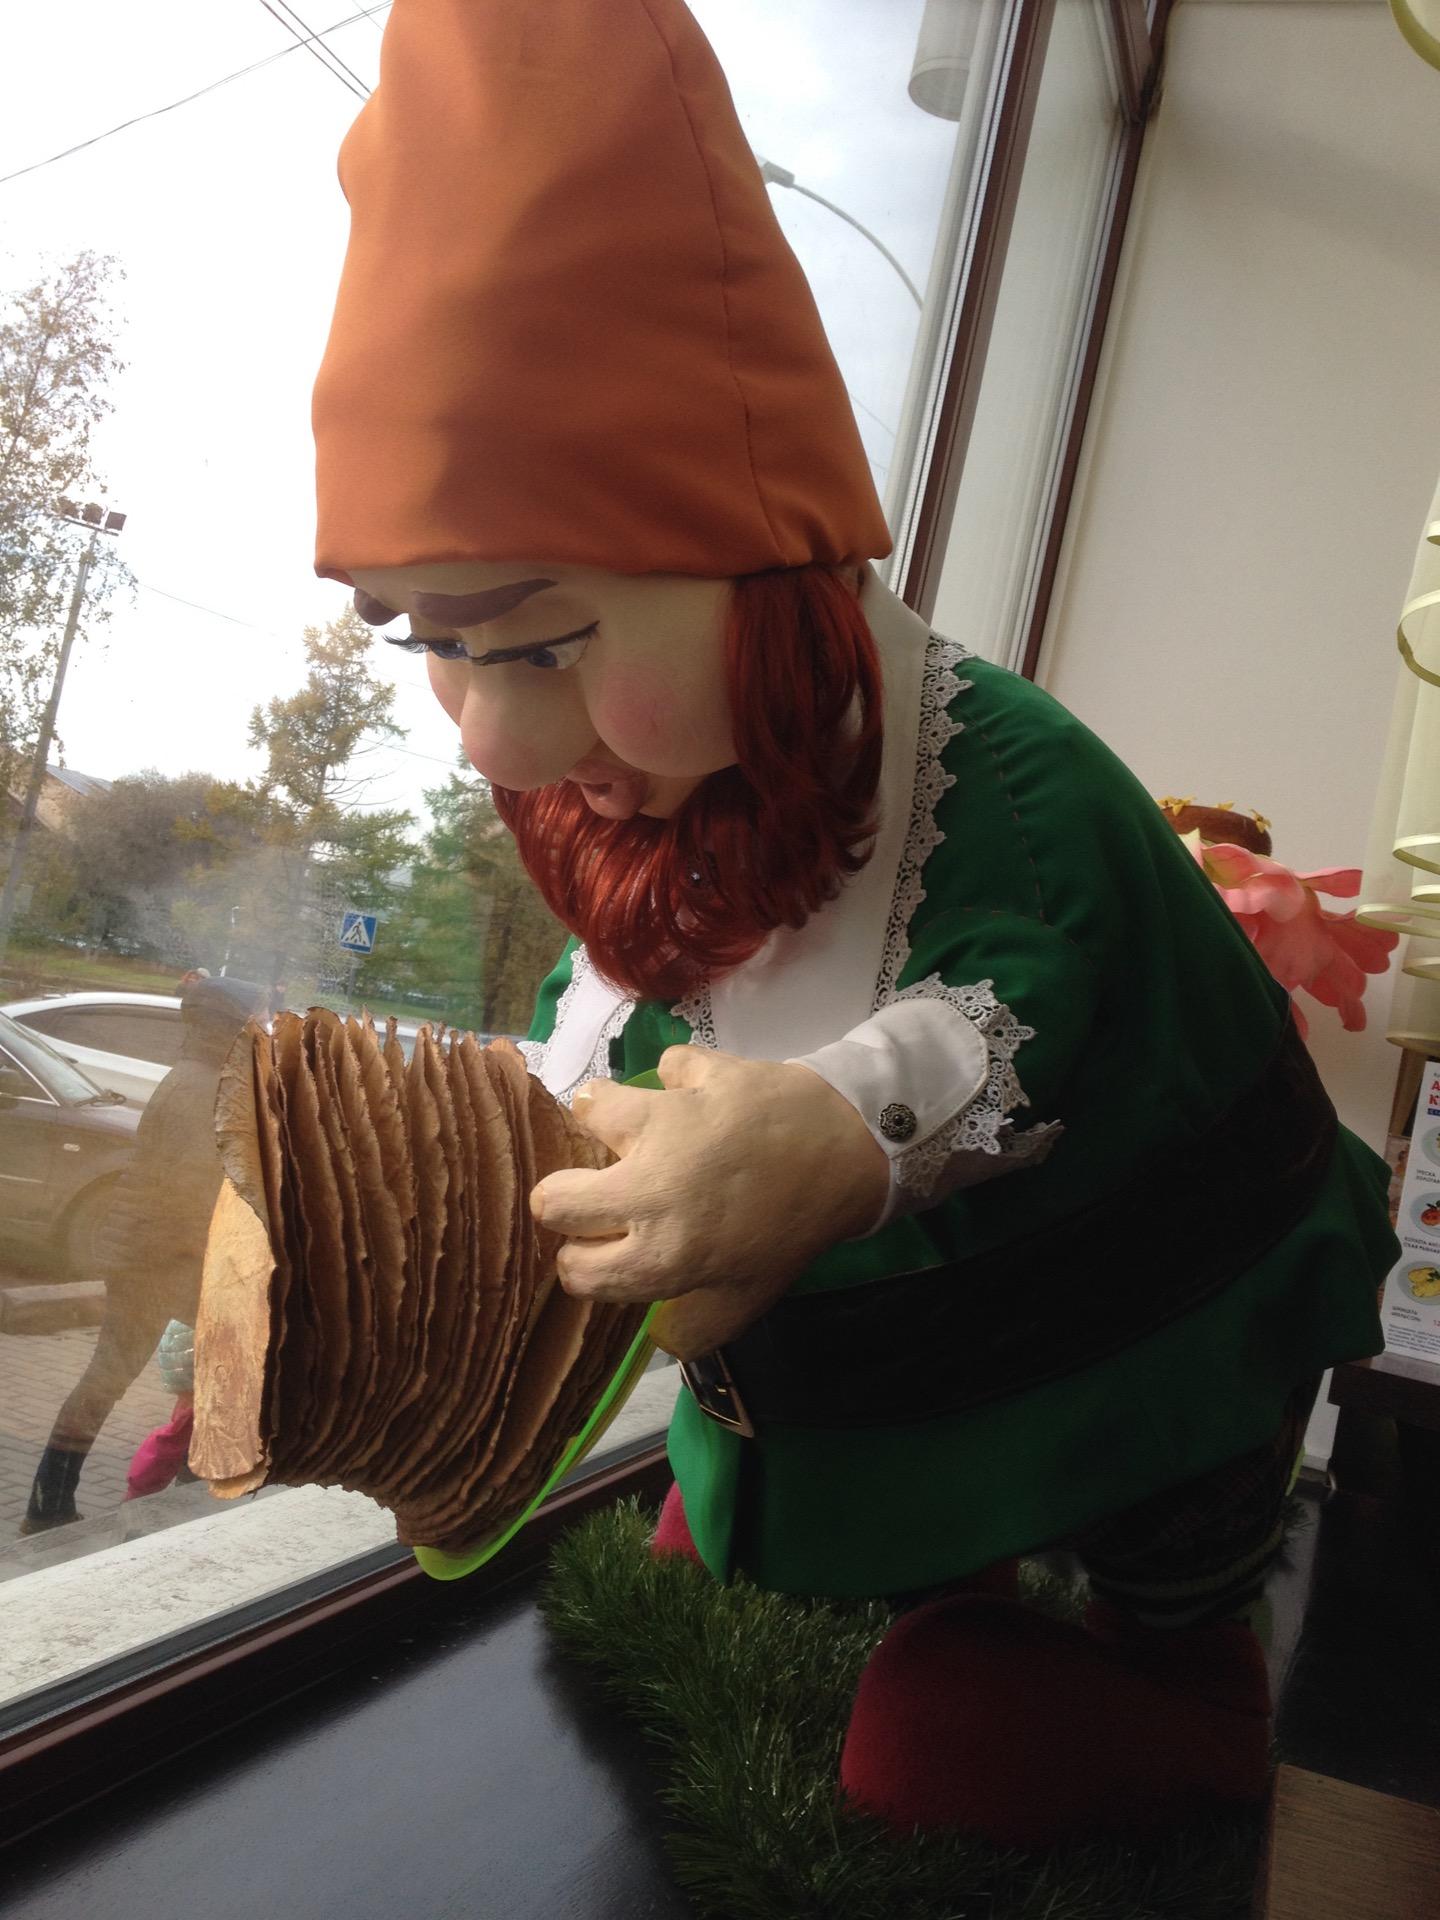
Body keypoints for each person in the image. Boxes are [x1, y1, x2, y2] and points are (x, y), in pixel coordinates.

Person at [309, 0, 1399, 1846]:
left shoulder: (1005, 780)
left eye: (546, 640)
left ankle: (1173, 1674)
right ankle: (894, 1545)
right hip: (889, 1347)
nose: (495, 738)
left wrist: (820, 1139)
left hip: (1146, 1299)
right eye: (439, 645)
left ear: (758, 571)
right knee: (794, 1511)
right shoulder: (659, 799)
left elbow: (1003, 1025)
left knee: (1148, 1500)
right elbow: (620, 1013)